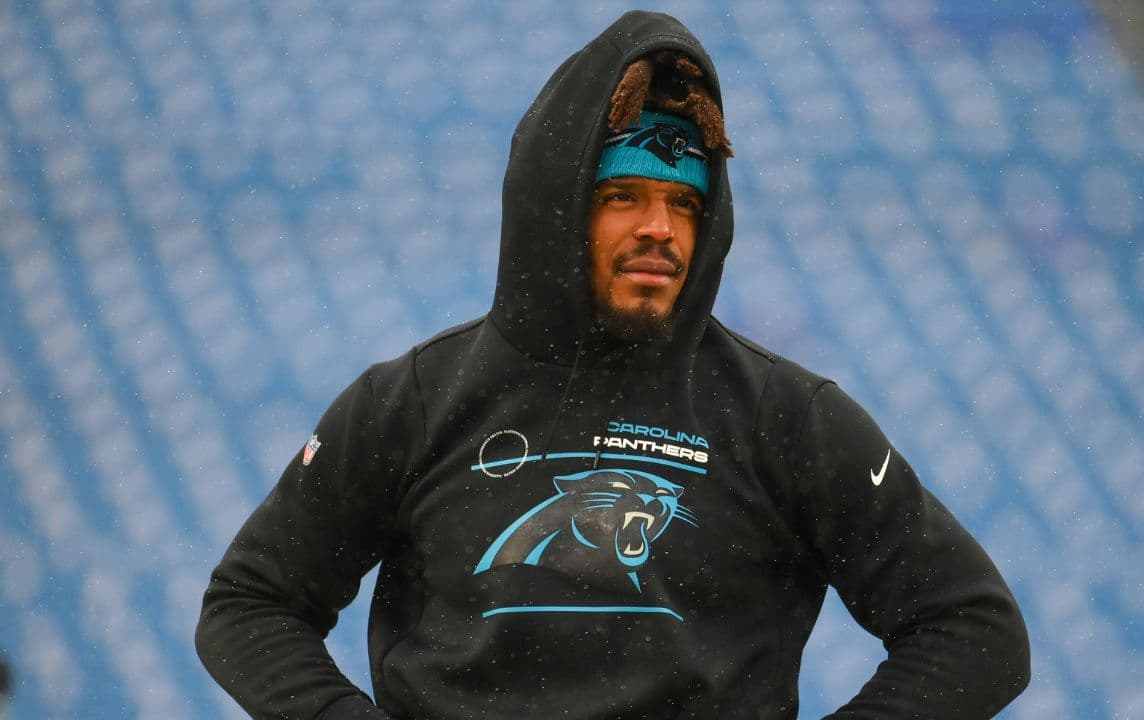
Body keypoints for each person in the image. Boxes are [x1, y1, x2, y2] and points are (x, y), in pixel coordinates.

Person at [195, 11, 1030, 719]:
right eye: (621, 196)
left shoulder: (786, 415)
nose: (660, 229)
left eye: (684, 203)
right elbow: (249, 604)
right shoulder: (414, 399)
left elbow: (974, 629)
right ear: (552, 207)